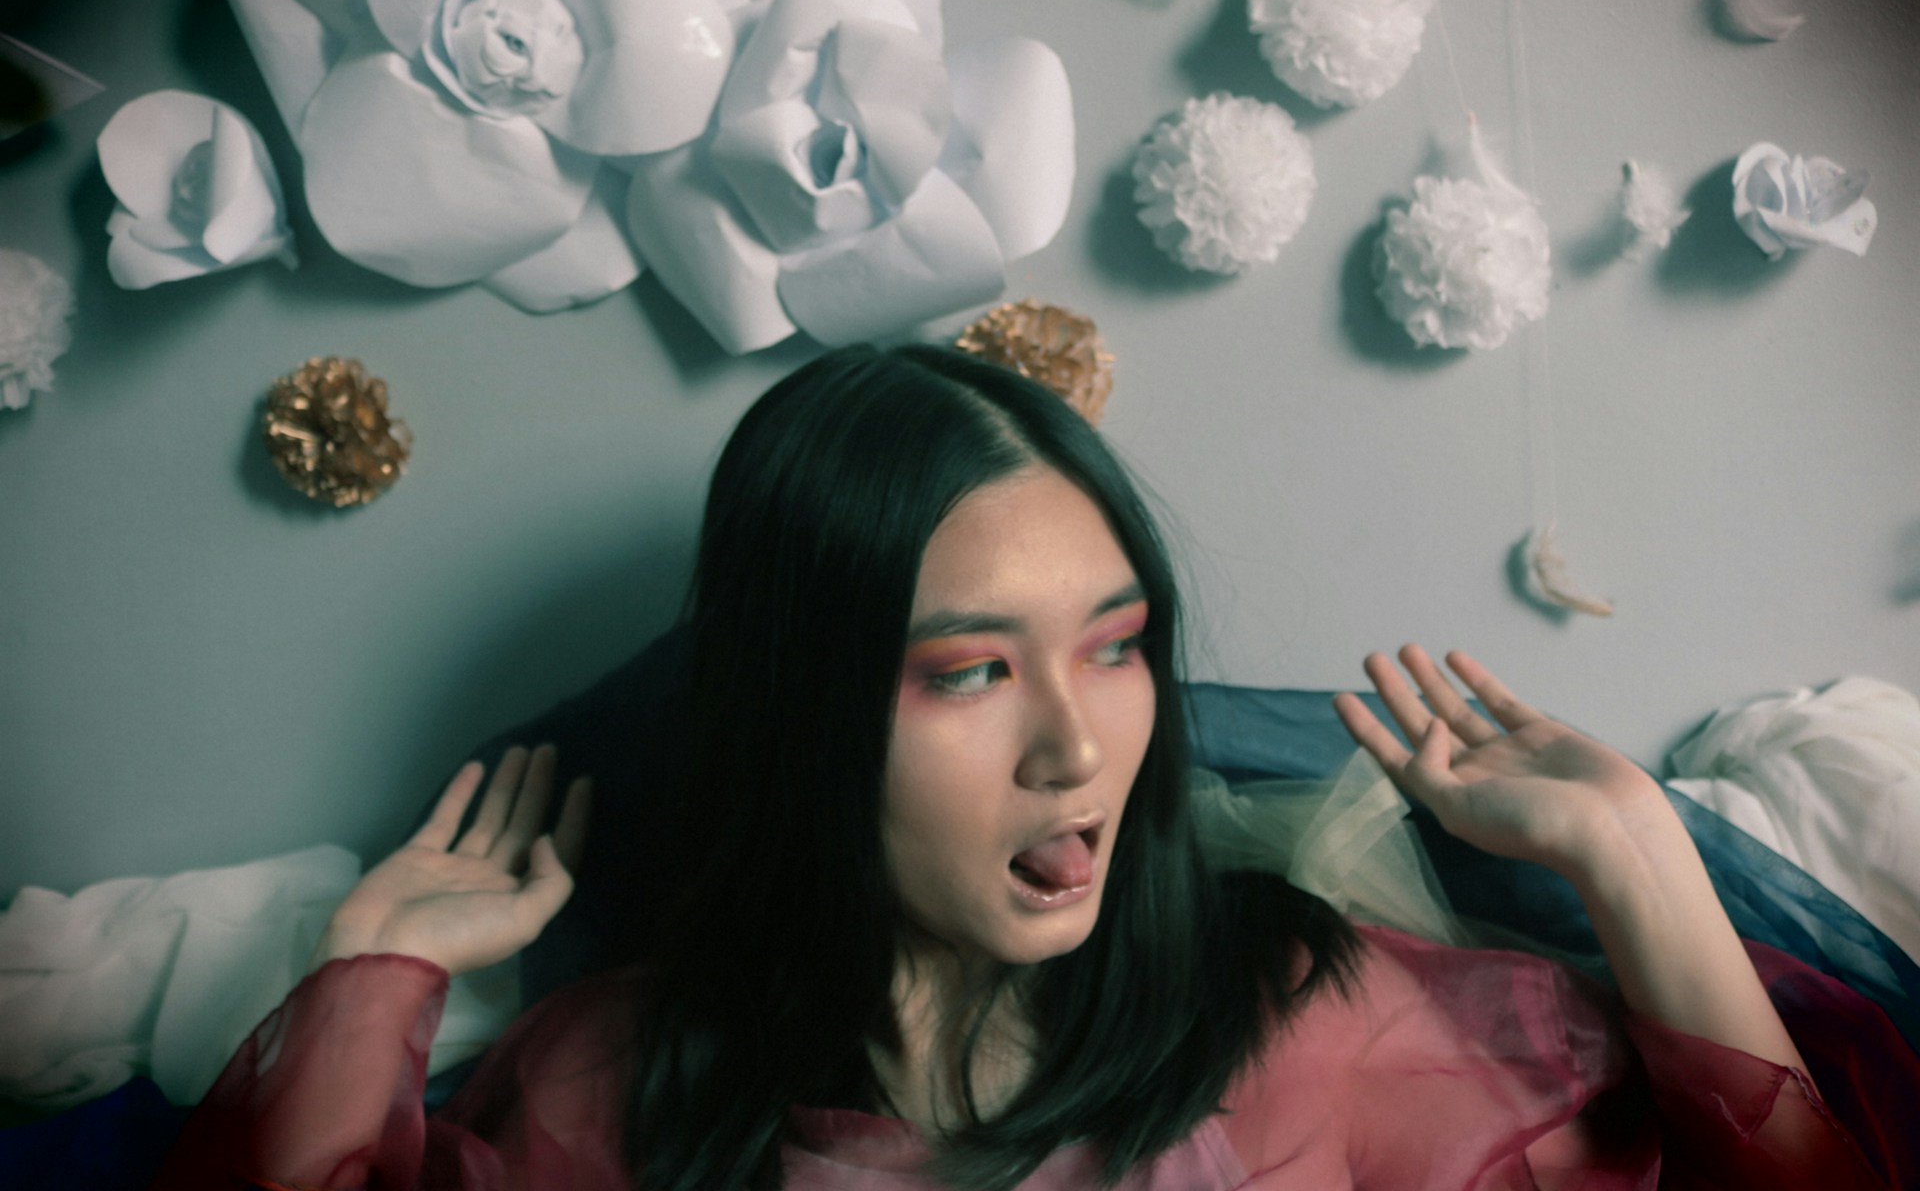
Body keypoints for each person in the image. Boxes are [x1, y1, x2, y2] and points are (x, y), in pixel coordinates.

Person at [152, 345, 1910, 1190]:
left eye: (1118, 645)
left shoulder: (1300, 1015)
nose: (1079, 746)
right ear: (803, 714)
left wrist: (1638, 858)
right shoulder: (612, 1091)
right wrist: (369, 973)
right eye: (972, 673)